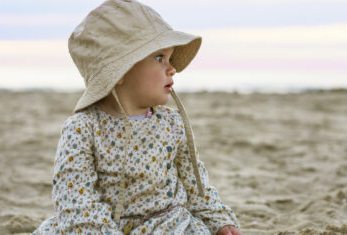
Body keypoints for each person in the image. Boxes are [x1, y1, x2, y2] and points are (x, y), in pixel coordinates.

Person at [32, 0, 241, 234]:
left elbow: (196, 186)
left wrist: (219, 221)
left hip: (168, 225)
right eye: (160, 58)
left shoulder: (172, 123)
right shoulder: (83, 128)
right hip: (99, 226)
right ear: (120, 71)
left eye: (171, 59)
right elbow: (76, 203)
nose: (172, 68)